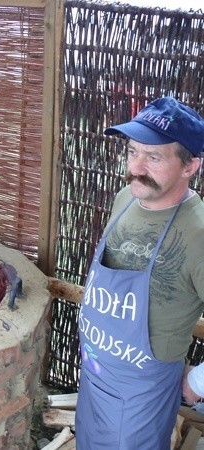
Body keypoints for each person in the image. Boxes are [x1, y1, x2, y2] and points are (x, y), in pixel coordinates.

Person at [75, 96, 204, 448]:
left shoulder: (198, 233)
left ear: (190, 165)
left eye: (155, 156)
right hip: (95, 377)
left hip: (141, 396)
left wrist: (199, 383)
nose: (137, 166)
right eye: (133, 151)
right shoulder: (126, 199)